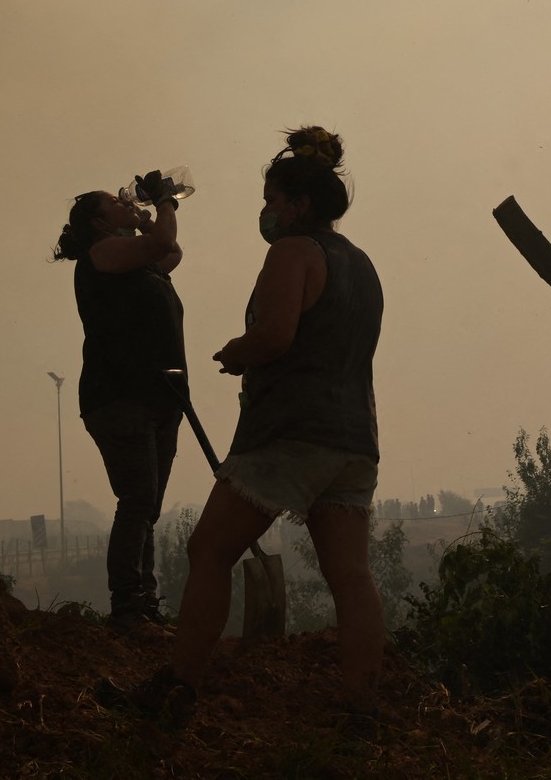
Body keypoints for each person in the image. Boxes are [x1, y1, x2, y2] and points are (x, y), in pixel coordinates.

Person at [105, 127, 383, 726]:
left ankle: (179, 686)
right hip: (355, 441)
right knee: (351, 576)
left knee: (209, 548)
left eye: (274, 200)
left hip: (288, 434)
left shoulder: (291, 252)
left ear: (300, 204)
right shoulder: (360, 265)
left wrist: (237, 349)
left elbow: (277, 335)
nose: (267, 211)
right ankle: (362, 706)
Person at [52, 179, 187, 629]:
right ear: (98, 223)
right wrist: (165, 202)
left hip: (160, 396)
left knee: (146, 505)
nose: (122, 201)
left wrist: (146, 218)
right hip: (120, 396)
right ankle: (128, 601)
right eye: (114, 203)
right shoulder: (102, 254)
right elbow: (165, 242)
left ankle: (144, 600)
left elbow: (170, 252)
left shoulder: (137, 262)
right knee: (138, 498)